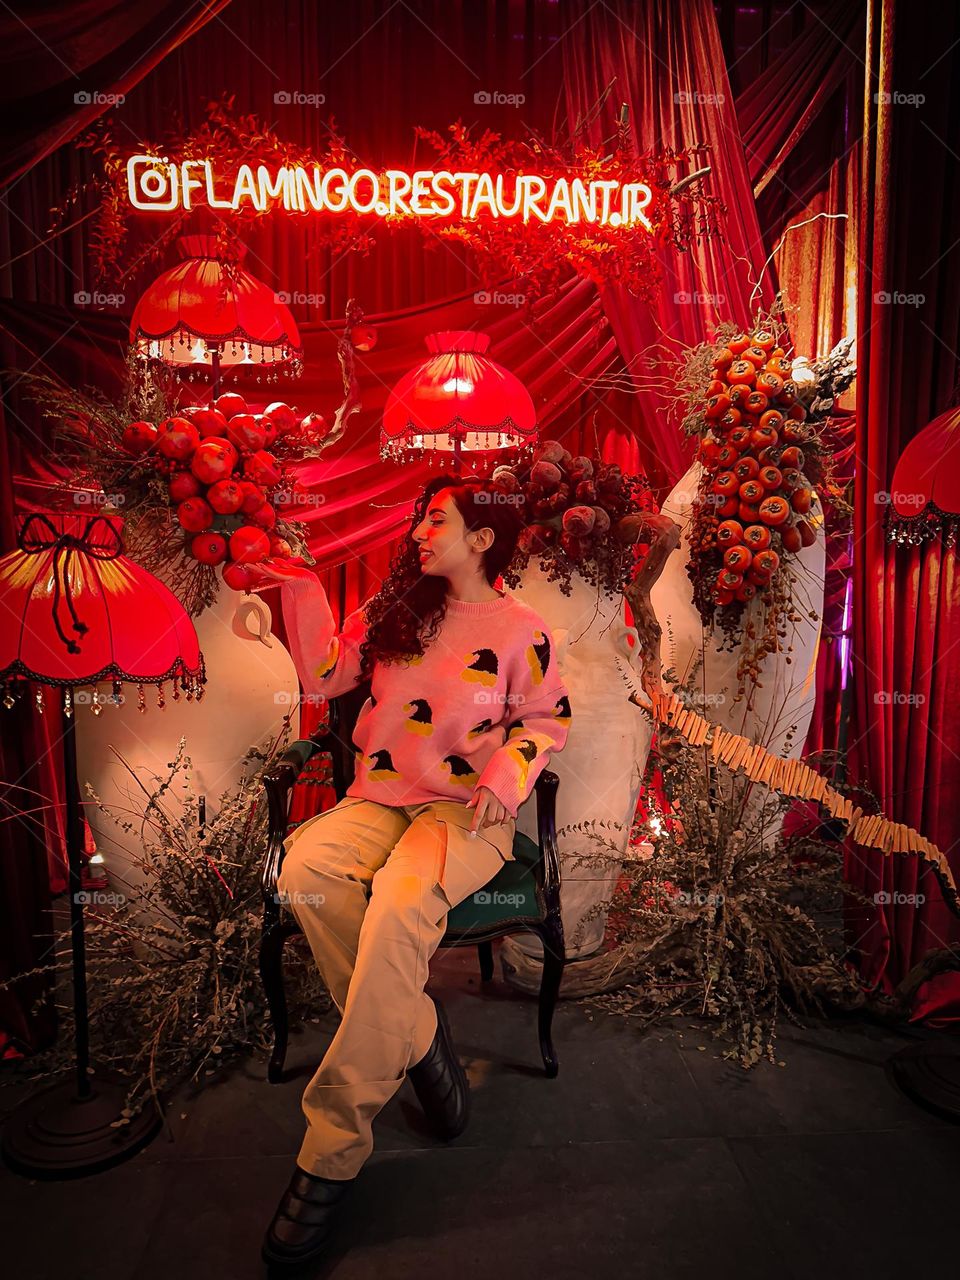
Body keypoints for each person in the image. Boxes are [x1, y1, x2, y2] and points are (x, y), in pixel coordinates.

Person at [252, 473, 571, 1269]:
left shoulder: (523, 629)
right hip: (380, 800)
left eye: (438, 522)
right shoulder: (397, 607)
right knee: (304, 868)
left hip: (463, 817)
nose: (420, 534)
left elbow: (547, 719)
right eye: (422, 522)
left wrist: (506, 776)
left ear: (482, 539)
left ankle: (328, 1152)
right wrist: (295, 577)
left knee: (399, 904)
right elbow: (326, 672)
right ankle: (422, 1037)